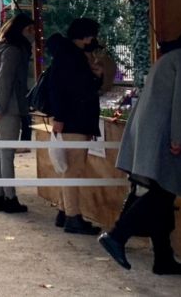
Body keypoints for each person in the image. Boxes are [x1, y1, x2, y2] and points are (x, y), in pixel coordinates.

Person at [99, 24, 181, 274]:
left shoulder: (172, 57)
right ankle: (117, 235)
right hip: (165, 137)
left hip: (150, 134)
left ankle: (163, 258)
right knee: (162, 193)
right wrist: (178, 138)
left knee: (159, 196)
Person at [47, 18, 104, 235]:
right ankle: (73, 216)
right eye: (91, 35)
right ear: (84, 35)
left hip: (71, 119)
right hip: (75, 120)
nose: (92, 40)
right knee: (74, 170)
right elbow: (66, 89)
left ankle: (64, 211)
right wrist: (96, 77)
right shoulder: (72, 56)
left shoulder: (66, 55)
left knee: (69, 169)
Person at [0, 12, 35, 214]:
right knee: (6, 154)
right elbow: (4, 82)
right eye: (31, 30)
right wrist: (0, 108)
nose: (34, 34)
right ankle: (10, 197)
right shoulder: (14, 51)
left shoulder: (1, 49)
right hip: (8, 108)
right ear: (24, 30)